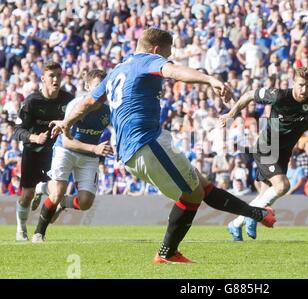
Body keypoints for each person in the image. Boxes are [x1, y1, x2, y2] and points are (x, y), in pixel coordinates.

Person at [50, 28, 275, 264]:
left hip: (142, 144)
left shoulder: (118, 70)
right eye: (167, 53)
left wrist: (66, 121)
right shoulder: (148, 60)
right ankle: (166, 253)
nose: (168, 57)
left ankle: (257, 214)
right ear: (156, 50)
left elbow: (87, 102)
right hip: (146, 142)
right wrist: (210, 79)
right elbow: (174, 71)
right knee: (193, 194)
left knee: (201, 184)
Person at [220, 67, 308, 241]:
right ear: (293, 83)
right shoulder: (279, 95)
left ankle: (236, 224)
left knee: (268, 193)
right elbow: (249, 95)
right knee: (282, 186)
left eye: (307, 85)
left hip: (284, 151)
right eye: (300, 85)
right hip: (267, 146)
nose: (304, 90)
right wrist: (231, 113)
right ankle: (253, 215)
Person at [31, 69, 112, 243]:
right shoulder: (76, 105)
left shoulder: (108, 110)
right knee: (56, 194)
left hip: (89, 156)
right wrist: (94, 148)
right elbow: (67, 142)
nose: (102, 92)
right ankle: (39, 234)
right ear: (87, 86)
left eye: (105, 87)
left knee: (85, 202)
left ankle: (57, 200)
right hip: (66, 151)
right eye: (98, 87)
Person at [13, 61, 73, 241]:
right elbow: (17, 130)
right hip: (32, 151)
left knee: (57, 193)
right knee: (26, 196)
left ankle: (39, 232)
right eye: (51, 76)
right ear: (43, 79)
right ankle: (21, 228)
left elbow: (75, 124)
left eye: (58, 76)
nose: (55, 79)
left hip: (55, 153)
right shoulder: (32, 101)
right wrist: (34, 138)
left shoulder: (68, 100)